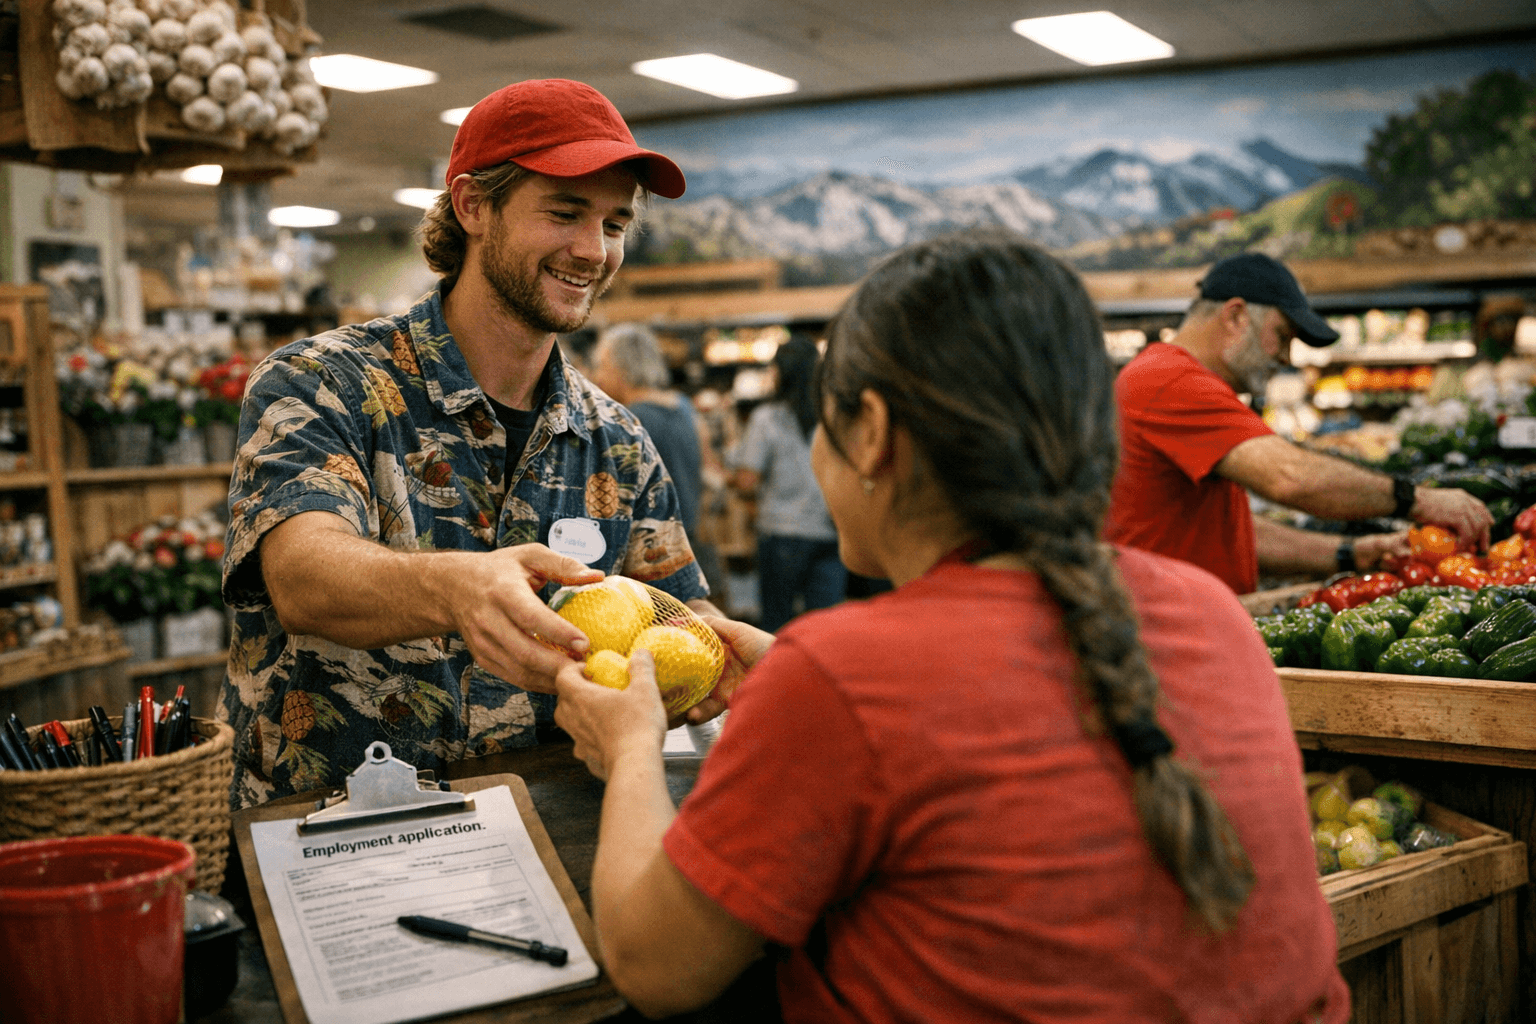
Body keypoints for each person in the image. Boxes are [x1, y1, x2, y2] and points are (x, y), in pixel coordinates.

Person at [552, 230, 1349, 1023]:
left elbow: (653, 967)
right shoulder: (1211, 610)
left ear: (870, 431)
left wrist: (629, 748)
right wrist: (795, 680)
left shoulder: (843, 678)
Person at [217, 78, 723, 809]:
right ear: (473, 206)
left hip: (547, 834)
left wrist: (731, 648)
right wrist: (458, 589)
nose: (594, 250)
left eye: (615, 223)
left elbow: (672, 613)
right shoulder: (324, 383)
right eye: (564, 212)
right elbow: (303, 576)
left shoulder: (616, 440)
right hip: (334, 832)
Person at [1105, 252, 1492, 594]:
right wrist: (1419, 500)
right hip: (1165, 631)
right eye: (1283, 335)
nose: (1287, 357)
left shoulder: (1172, 378)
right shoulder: (1169, 380)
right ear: (1236, 316)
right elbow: (1290, 477)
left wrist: (1353, 553)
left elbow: (1232, 534)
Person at [589, 322, 731, 602]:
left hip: (653, 556)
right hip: (693, 543)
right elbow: (711, 469)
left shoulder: (628, 422)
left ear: (621, 367)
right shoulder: (684, 406)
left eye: (602, 366)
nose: (597, 377)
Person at [732, 334, 845, 631]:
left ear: (781, 372)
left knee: (776, 627)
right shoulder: (834, 414)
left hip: (781, 531)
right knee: (825, 628)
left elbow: (747, 481)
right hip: (830, 531)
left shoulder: (767, 418)